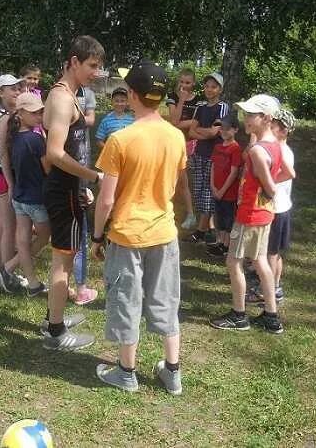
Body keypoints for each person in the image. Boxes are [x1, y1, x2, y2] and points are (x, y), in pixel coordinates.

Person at [91, 60, 187, 395]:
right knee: (166, 299)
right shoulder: (176, 137)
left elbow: (105, 200)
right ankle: (172, 372)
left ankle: (126, 372)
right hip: (164, 233)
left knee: (126, 301)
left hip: (127, 236)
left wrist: (97, 236)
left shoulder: (120, 140)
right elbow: (174, 184)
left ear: (132, 95)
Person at [41, 35, 105, 351]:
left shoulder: (70, 94)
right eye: (92, 66)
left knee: (64, 259)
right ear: (74, 61)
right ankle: (55, 332)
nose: (96, 72)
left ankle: (54, 316)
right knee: (63, 262)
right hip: (64, 190)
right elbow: (54, 153)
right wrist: (92, 176)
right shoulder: (64, 99)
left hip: (70, 189)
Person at [210, 94, 288, 334]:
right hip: (264, 214)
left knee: (233, 262)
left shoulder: (257, 151)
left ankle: (239, 315)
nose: (246, 118)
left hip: (250, 214)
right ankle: (271, 317)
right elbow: (284, 172)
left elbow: (272, 187)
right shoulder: (274, 144)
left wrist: (265, 189)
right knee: (260, 261)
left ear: (265, 118)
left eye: (250, 115)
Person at [9, 92, 51, 296]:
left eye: (41, 112)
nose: (39, 116)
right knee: (44, 237)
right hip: (36, 199)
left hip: (19, 197)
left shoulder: (14, 137)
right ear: (20, 114)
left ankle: (31, 282)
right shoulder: (35, 140)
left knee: (23, 243)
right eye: (34, 113)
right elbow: (48, 169)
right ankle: (9, 267)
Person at [0, 74, 28, 292]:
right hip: (2, 174)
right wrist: (11, 182)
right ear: (0, 93)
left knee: (1, 225)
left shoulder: (6, 114)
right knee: (8, 227)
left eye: (17, 87)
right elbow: (4, 154)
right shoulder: (5, 118)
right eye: (11, 88)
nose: (16, 91)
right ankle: (6, 274)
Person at [186, 72, 229, 244]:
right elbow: (191, 131)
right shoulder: (200, 107)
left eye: (214, 86)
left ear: (220, 89)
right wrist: (206, 132)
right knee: (198, 191)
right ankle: (208, 229)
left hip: (214, 156)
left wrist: (202, 132)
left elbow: (214, 132)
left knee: (208, 193)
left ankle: (201, 231)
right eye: (207, 86)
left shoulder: (222, 107)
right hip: (199, 154)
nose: (209, 89)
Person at [71, 85, 99, 305]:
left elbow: (90, 120)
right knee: (78, 236)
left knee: (68, 240)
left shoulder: (85, 94)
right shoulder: (60, 94)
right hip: (71, 177)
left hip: (79, 167)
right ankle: (80, 289)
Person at [265, 109, 296, 302]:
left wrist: (266, 181)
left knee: (270, 254)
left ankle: (267, 291)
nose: (269, 126)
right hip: (283, 207)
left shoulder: (281, 151)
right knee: (275, 253)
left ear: (283, 131)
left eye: (273, 125)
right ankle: (275, 287)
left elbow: (285, 174)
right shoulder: (283, 149)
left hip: (276, 208)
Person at [166, 68, 203, 230]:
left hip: (190, 143)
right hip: (173, 141)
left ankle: (189, 214)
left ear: (193, 83)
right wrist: (181, 100)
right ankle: (170, 212)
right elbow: (174, 120)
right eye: (181, 82)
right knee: (171, 178)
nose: (184, 85)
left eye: (187, 82)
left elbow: (198, 123)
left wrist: (182, 123)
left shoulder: (199, 100)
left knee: (183, 180)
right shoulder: (173, 97)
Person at [206, 113, 243, 258]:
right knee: (219, 219)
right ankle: (220, 243)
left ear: (235, 130)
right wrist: (213, 187)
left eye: (228, 129)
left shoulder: (235, 149)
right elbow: (213, 167)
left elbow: (234, 172)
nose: (224, 132)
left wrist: (222, 190)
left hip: (228, 194)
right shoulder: (217, 147)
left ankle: (227, 246)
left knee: (228, 221)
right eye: (222, 129)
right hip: (217, 191)